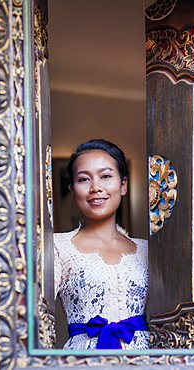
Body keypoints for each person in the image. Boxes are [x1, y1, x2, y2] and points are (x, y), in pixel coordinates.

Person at [54, 139, 149, 350]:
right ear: (72, 189)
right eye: (84, 179)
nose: (96, 187)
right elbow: (33, 315)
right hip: (81, 362)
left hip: (148, 361)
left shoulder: (147, 250)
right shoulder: (58, 248)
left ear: (123, 185)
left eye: (106, 176)